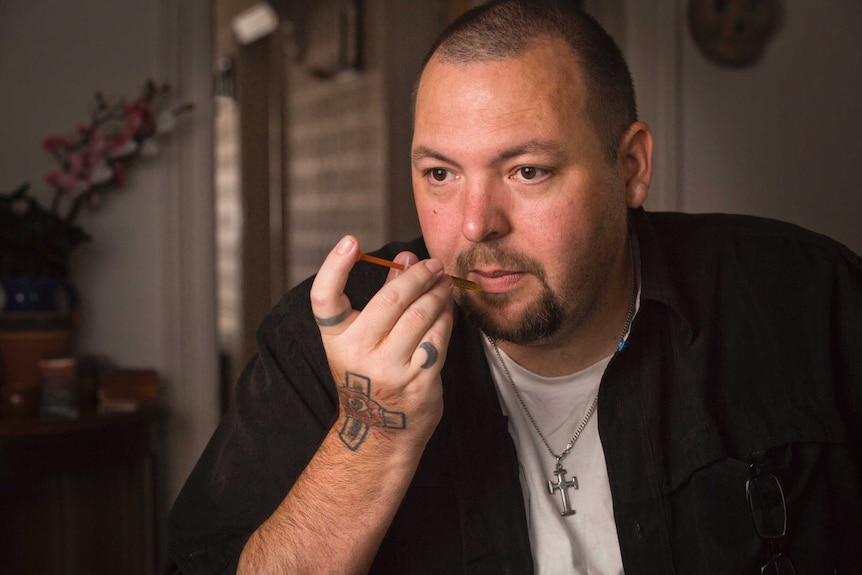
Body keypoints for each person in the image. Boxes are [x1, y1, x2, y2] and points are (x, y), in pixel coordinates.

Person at [165, 1, 862, 573]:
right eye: (440, 174)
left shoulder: (810, 299)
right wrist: (371, 435)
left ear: (631, 167)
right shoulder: (325, 338)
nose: (474, 226)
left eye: (527, 170)